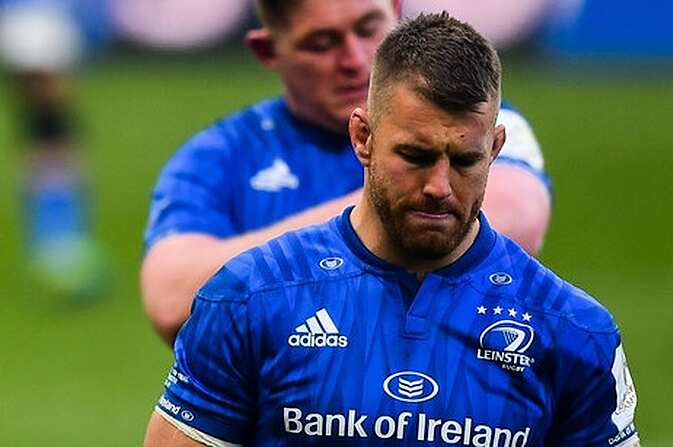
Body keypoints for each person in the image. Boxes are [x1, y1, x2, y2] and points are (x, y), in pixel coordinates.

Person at [143, 13, 639, 446]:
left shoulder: (572, 332)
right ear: (363, 137)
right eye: (416, 156)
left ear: (496, 148)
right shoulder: (250, 300)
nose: (440, 187)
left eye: (465, 160)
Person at [141, 0, 552, 344]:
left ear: (395, 12)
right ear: (269, 51)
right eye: (321, 44)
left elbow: (517, 214)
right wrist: (372, 222)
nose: (356, 61)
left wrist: (271, 281)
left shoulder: (467, 119)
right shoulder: (222, 154)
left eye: (368, 29)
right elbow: (171, 299)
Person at [0, 0, 111, 298]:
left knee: (52, 132)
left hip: (44, 19)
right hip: (32, 20)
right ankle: (58, 244)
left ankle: (60, 241)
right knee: (48, 127)